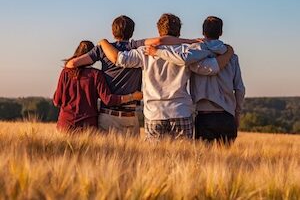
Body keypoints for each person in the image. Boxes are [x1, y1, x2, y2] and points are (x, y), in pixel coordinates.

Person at [98, 14, 233, 140]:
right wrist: (228, 53)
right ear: (179, 32)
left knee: (154, 161)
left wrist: (103, 42)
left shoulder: (144, 51)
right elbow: (211, 68)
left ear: (159, 31)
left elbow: (119, 59)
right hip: (181, 111)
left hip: (154, 113)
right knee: (183, 161)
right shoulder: (188, 51)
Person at [66, 15, 197, 135]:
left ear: (113, 31)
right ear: (132, 32)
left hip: (108, 115)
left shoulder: (102, 49)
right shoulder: (135, 46)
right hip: (131, 116)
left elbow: (72, 64)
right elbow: (158, 40)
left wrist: (96, 68)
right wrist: (189, 41)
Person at [146, 16, 245, 144]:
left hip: (204, 117)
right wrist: (237, 114)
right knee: (226, 162)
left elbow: (184, 60)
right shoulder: (231, 57)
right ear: (221, 33)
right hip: (227, 116)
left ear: (203, 32)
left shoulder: (194, 54)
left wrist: (157, 52)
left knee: (204, 162)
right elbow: (239, 89)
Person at [53, 40, 143, 132]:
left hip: (65, 124)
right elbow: (108, 100)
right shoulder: (96, 74)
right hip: (88, 126)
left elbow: (57, 101)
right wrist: (132, 96)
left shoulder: (65, 72)